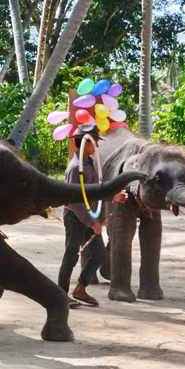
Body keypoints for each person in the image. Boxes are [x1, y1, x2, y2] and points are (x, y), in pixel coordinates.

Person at [57, 125, 129, 307]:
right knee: (70, 256)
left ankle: (80, 288)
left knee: (98, 254)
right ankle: (60, 295)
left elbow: (94, 192)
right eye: (94, 141)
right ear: (85, 143)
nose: (97, 145)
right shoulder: (75, 168)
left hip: (88, 216)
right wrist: (91, 222)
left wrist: (114, 196)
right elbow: (74, 200)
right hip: (75, 217)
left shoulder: (90, 163)